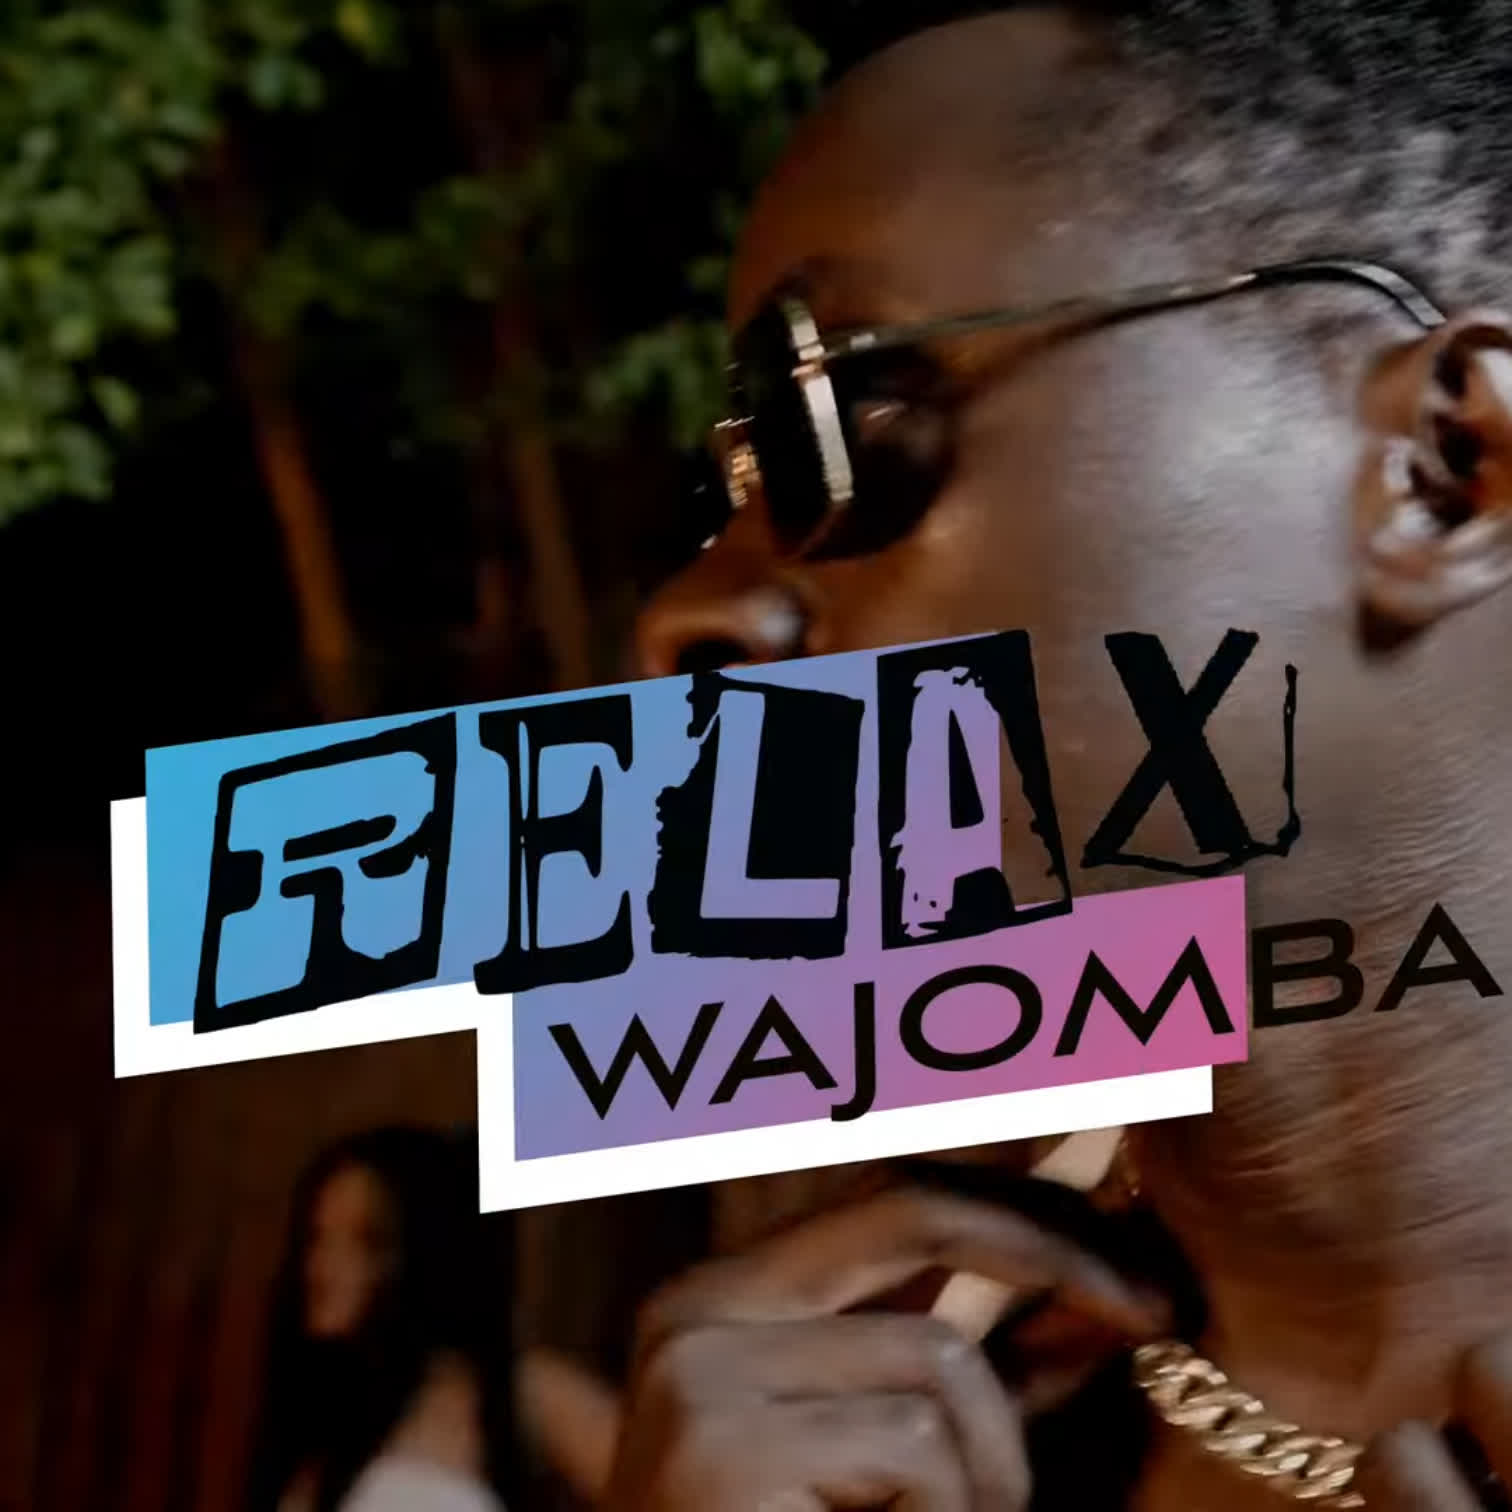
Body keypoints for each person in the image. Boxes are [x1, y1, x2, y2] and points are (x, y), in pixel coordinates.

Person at [526, 3, 1512, 1508]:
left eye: (841, 434)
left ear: (1449, 470)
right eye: (733, 485)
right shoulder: (888, 1433)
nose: (694, 612)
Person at [245, 1127, 515, 1512]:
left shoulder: (495, 1389)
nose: (323, 1267)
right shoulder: (319, 1420)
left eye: (364, 1242)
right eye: (317, 1237)